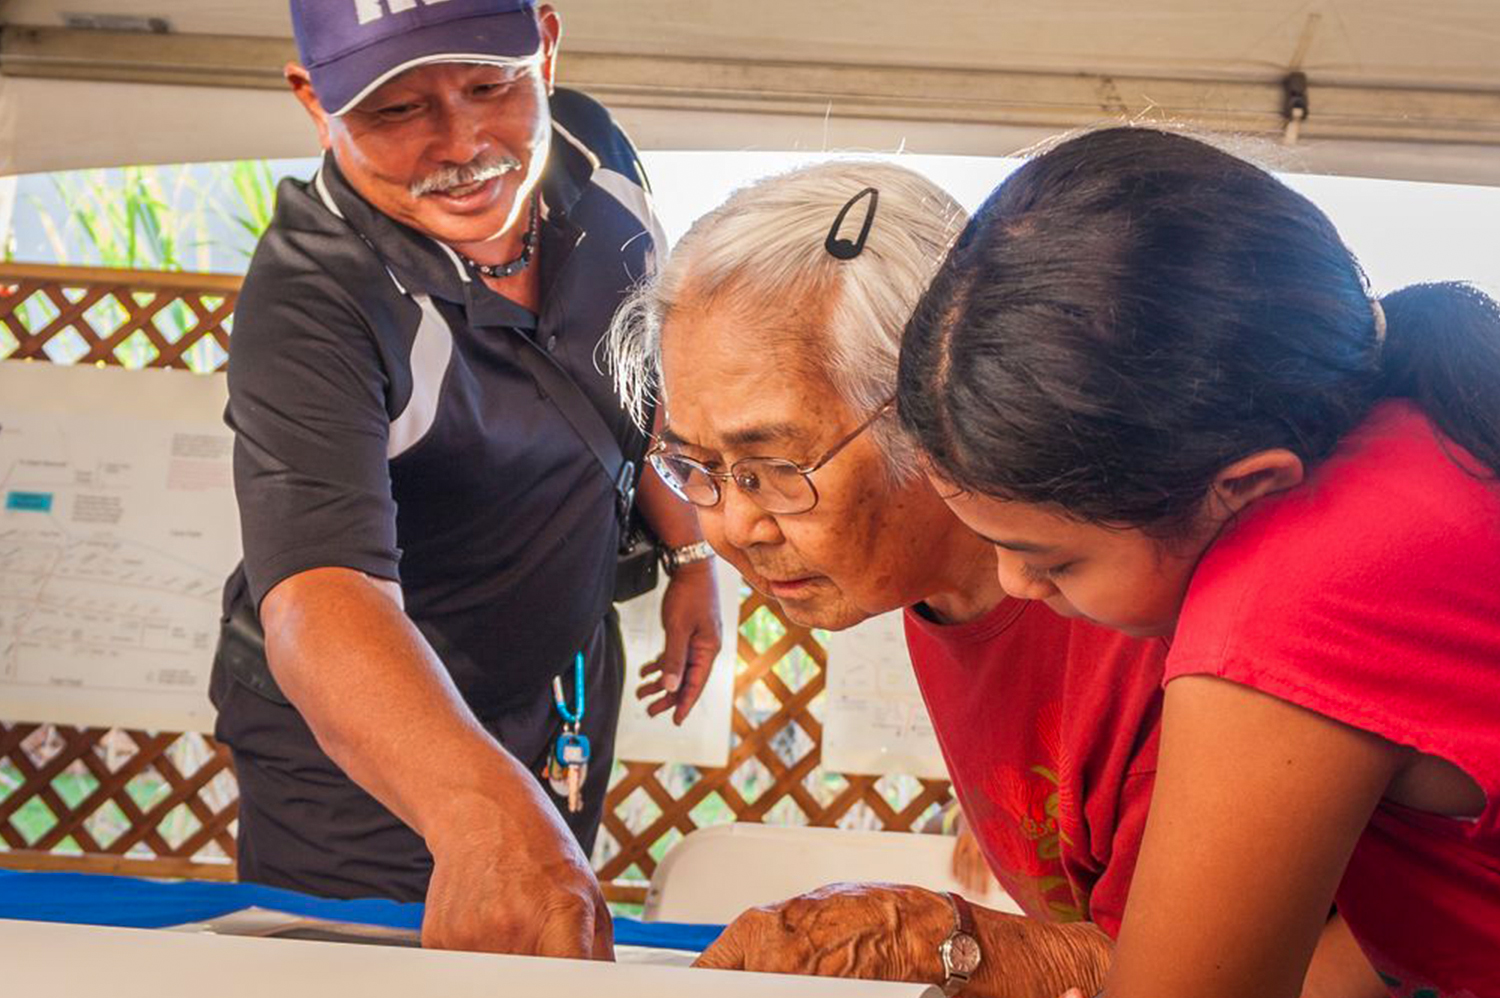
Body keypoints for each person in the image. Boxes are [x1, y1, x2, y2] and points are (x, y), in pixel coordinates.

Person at [898, 127, 1500, 997]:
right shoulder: (1426, 430)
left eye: (1051, 560)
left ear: (1244, 487)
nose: (1013, 584)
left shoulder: (1292, 595)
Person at [212, 0, 721, 958]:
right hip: (362, 742)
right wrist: (484, 815)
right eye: (396, 111)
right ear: (313, 101)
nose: (463, 143)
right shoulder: (312, 298)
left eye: (490, 85)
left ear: (548, 43)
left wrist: (688, 547)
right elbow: (321, 595)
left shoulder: (595, 150)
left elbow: (632, 371)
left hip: (559, 684)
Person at [608, 160, 1174, 995]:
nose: (733, 526)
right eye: (695, 466)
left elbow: (1282, 971)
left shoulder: (1142, 612)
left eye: (774, 464)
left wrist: (940, 940)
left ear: (933, 396)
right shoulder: (928, 586)